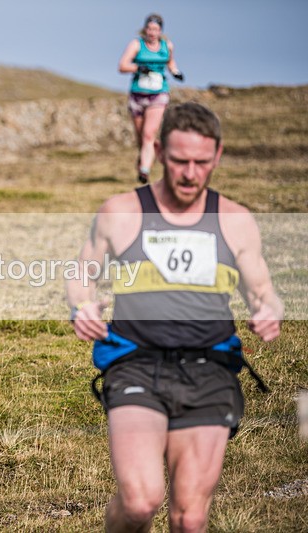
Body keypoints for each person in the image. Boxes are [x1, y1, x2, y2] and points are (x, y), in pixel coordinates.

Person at [66, 102, 283, 532]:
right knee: (141, 501)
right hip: (135, 362)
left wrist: (267, 311)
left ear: (217, 156)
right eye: (180, 160)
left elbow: (263, 291)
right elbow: (81, 271)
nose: (190, 173)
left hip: (209, 369)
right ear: (160, 151)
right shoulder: (121, 212)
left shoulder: (236, 221)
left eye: (202, 162)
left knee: (189, 516)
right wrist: (82, 304)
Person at [119, 13, 185, 184]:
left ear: (161, 31)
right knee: (141, 137)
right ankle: (144, 159)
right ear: (145, 29)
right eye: (149, 28)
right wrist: (139, 68)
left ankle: (144, 171)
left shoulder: (167, 46)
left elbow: (170, 63)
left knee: (149, 134)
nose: (152, 32)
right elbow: (122, 66)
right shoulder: (136, 45)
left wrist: (176, 73)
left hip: (158, 93)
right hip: (138, 95)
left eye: (155, 29)